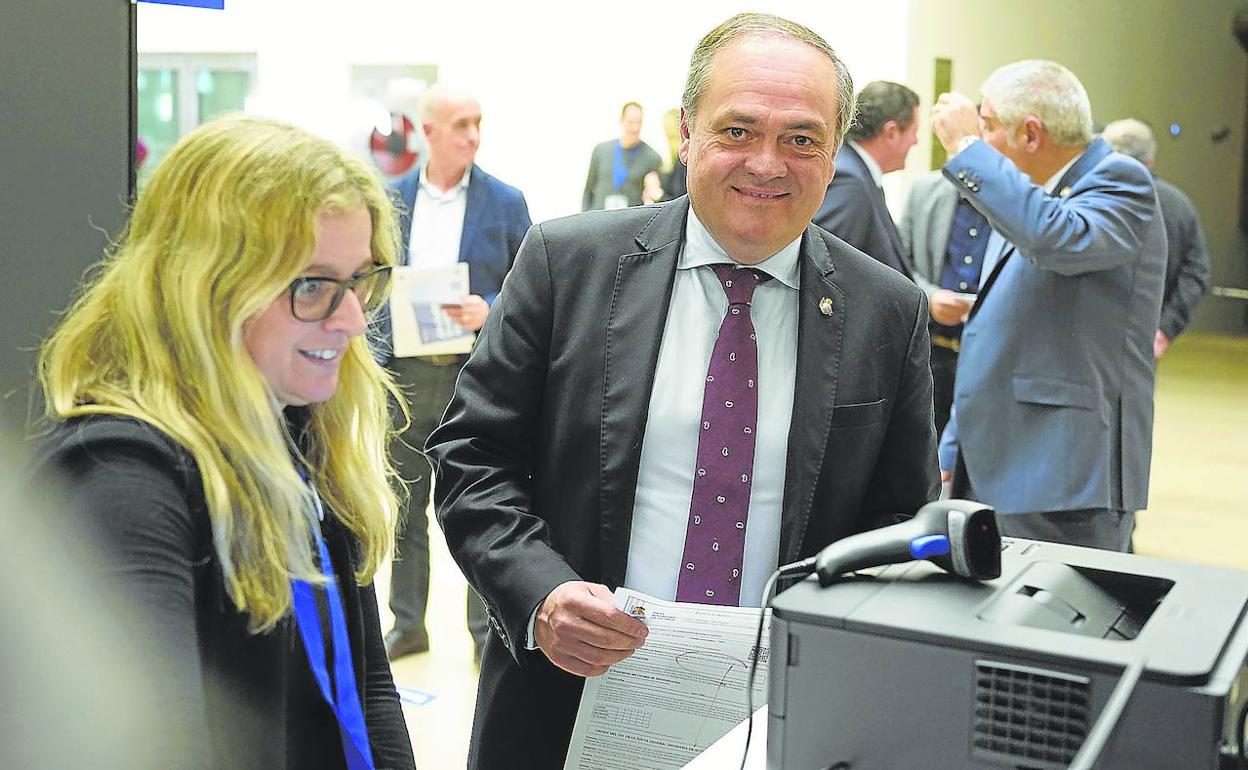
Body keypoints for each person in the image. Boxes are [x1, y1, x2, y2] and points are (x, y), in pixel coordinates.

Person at [427, 12, 939, 768]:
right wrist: (539, 595)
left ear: (833, 154)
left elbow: (900, 520)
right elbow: (473, 455)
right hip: (567, 701)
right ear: (686, 132)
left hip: (782, 722)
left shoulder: (884, 310)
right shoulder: (568, 266)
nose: (767, 163)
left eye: (801, 139)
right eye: (737, 130)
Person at [30, 114, 416, 770]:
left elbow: (366, 688)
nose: (353, 319)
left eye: (359, 281)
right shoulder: (123, 479)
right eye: (314, 286)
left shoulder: (297, 434)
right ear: (206, 289)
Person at [931, 60, 1166, 552]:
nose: (983, 138)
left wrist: (965, 148)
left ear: (1031, 135)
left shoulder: (1120, 180)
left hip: (1063, 475)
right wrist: (955, 443)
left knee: (1059, 621)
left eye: (989, 126)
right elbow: (993, 330)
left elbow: (1055, 237)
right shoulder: (1024, 194)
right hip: (994, 458)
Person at [381, 84, 532, 662]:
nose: (473, 134)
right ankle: (407, 624)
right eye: (460, 124)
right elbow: (370, 280)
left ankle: (482, 632)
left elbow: (531, 288)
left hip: (475, 374)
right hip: (406, 374)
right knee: (404, 504)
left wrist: (489, 307)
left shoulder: (506, 201)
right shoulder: (389, 198)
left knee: (479, 499)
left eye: (478, 122)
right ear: (428, 133)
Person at [1102, 118, 1212, 358]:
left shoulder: (1088, 197)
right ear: (1151, 159)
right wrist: (1165, 329)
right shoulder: (1178, 205)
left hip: (1087, 338)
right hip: (1145, 337)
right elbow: (1196, 273)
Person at [898, 171, 991, 434]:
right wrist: (929, 297)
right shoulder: (924, 190)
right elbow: (898, 264)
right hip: (931, 351)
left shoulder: (1016, 199)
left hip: (988, 354)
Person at [813, 80, 920, 278]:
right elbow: (827, 269)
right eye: (914, 132)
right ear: (891, 133)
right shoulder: (849, 183)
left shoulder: (859, 174)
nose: (916, 141)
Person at [582, 101, 664, 210]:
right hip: (599, 219)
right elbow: (589, 189)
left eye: (638, 122)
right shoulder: (601, 150)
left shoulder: (652, 157)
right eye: (631, 122)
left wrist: (656, 194)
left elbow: (656, 196)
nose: (635, 128)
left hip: (629, 222)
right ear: (621, 121)